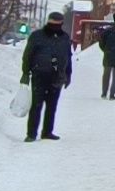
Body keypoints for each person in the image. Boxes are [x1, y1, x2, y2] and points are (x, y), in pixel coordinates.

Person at [20, 11, 74, 142]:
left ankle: (47, 132)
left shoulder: (65, 38)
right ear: (48, 23)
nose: (55, 27)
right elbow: (28, 55)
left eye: (57, 24)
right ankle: (31, 133)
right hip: (39, 74)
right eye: (52, 24)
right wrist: (26, 72)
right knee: (36, 105)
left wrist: (68, 74)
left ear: (61, 24)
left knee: (52, 106)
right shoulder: (37, 36)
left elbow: (68, 56)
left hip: (57, 77)